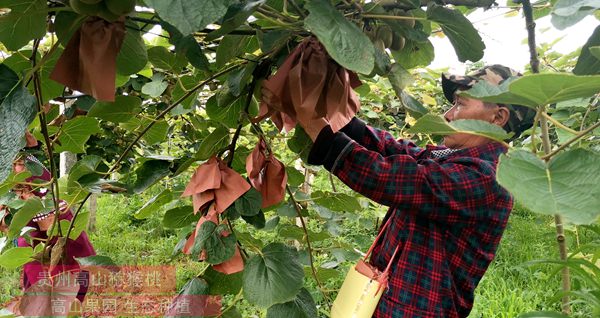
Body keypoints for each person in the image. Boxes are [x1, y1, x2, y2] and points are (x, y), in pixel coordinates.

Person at [300, 65, 536, 317]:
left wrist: (320, 132)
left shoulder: (487, 178)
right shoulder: (454, 159)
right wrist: (345, 122)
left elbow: (394, 178)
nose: (447, 115)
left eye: (460, 104)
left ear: (497, 118)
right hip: (392, 299)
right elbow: (400, 151)